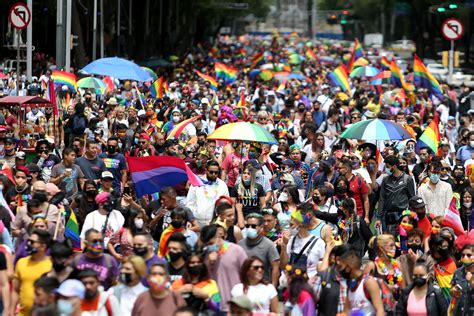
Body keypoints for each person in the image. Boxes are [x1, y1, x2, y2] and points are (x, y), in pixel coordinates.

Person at [200, 224, 248, 313]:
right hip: (214, 305)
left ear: (218, 237)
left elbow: (247, 274)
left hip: (235, 305)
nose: (209, 246)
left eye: (211, 243)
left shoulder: (236, 250)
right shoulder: (204, 254)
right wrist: (210, 263)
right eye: (207, 244)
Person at [12, 229, 52, 316]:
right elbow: (15, 290)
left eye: (32, 242)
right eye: (28, 241)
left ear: (43, 246)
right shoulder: (21, 262)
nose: (28, 244)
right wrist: (10, 311)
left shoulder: (52, 266)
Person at [280, 205, 326, 279]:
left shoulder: (319, 243)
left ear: (301, 224)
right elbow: (283, 265)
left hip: (309, 285)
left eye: (293, 223)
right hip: (292, 283)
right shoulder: (290, 241)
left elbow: (322, 270)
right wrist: (284, 245)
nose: (290, 226)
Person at [336, 246, 384, 316]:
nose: (339, 270)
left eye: (340, 267)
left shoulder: (369, 282)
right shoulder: (350, 285)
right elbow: (346, 312)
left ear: (349, 266)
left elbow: (380, 311)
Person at [364, 234, 406, 314]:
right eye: (391, 246)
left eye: (394, 246)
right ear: (381, 248)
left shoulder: (398, 264)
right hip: (376, 309)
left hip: (395, 310)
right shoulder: (372, 266)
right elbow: (363, 289)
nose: (394, 249)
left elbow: (403, 289)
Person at [376, 155, 416, 235]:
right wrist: (379, 217)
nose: (386, 169)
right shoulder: (386, 180)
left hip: (403, 214)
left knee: (403, 239)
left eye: (388, 167)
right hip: (389, 215)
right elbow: (382, 199)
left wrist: (411, 215)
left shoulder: (407, 179)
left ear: (394, 166)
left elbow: (412, 198)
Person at [238, 213, 280, 287]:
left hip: (263, 286)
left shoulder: (269, 245)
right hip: (244, 286)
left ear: (261, 227)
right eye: (247, 226)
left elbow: (275, 267)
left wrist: (273, 287)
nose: (250, 228)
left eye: (253, 226)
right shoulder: (240, 245)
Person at [186, 160, 229, 227]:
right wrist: (192, 219)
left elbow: (225, 205)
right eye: (211, 172)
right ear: (206, 170)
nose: (214, 174)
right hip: (197, 222)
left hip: (214, 223)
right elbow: (190, 203)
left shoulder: (222, 185)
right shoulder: (197, 183)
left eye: (216, 173)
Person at [450, 244, 474, 316]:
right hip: (459, 312)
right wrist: (453, 291)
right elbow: (451, 289)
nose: (465, 257)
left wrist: (472, 282)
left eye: (469, 255)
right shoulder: (457, 272)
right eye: (463, 255)